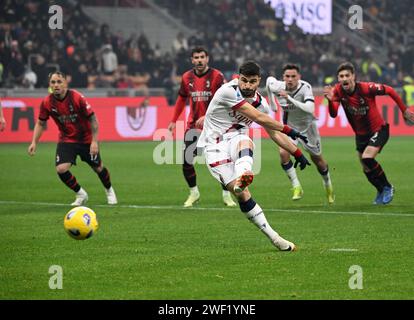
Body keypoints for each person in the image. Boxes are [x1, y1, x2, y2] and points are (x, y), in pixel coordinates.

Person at [196, 61, 311, 251]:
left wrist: (296, 152)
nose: (247, 85)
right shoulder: (228, 91)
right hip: (213, 146)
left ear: (259, 81)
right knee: (241, 194)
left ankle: (244, 175)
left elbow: (274, 133)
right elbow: (258, 118)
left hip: (235, 139)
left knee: (244, 140)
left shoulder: (261, 103)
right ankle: (273, 235)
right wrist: (289, 129)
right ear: (237, 78)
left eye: (252, 82)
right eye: (244, 81)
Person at [324, 62, 414, 204]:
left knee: (367, 157)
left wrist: (404, 110)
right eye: (341, 76)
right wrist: (330, 101)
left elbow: (390, 90)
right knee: (365, 167)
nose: (344, 78)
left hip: (379, 129)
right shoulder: (337, 91)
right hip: (361, 134)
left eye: (347, 75)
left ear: (353, 76)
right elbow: (334, 114)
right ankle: (380, 190)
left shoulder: (366, 88)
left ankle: (388, 187)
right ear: (338, 78)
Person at [28, 71, 118, 206]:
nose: (56, 85)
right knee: (61, 169)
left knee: (98, 168)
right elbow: (41, 123)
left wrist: (94, 141)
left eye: (59, 82)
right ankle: (81, 194)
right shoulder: (47, 102)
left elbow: (93, 119)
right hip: (67, 139)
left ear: (65, 83)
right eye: (53, 82)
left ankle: (109, 190)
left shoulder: (77, 97)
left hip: (86, 139)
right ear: (49, 85)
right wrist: (34, 142)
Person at [168, 47, 237, 207]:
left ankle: (227, 195)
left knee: (222, 161)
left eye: (202, 57)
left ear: (207, 59)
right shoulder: (186, 77)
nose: (199, 60)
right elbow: (181, 99)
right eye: (196, 57)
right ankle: (194, 193)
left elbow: (226, 99)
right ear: (192, 60)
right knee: (187, 161)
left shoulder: (217, 76)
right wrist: (173, 120)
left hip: (215, 127)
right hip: (193, 126)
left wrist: (208, 115)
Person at [266, 64, 334, 203]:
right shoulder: (277, 86)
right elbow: (268, 82)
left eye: (293, 76)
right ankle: (296, 186)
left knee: (318, 161)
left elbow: (310, 108)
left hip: (308, 127)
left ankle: (328, 185)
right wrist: (272, 104)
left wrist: (289, 98)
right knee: (283, 153)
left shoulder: (305, 87)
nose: (290, 79)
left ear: (299, 77)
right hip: (290, 126)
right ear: (283, 77)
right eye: (287, 76)